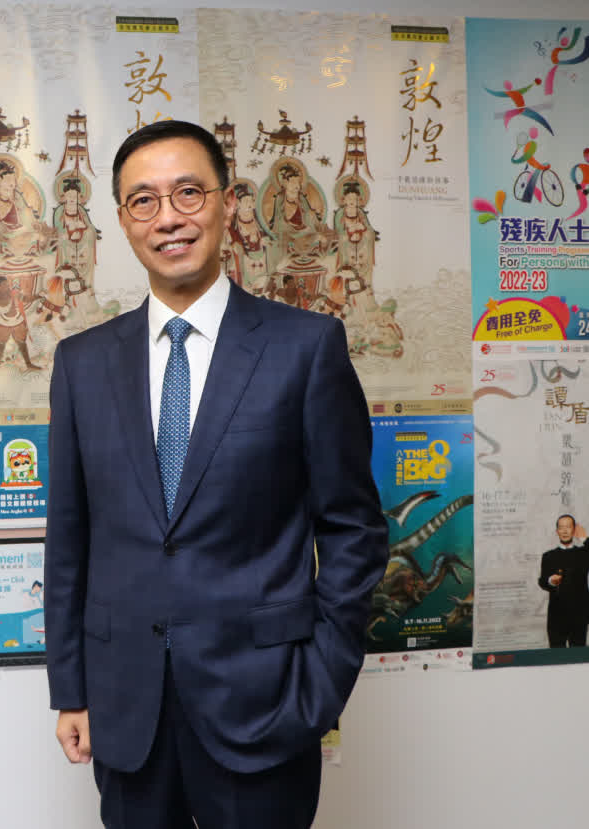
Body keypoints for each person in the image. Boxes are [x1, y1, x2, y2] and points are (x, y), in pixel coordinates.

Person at [45, 120, 388, 829]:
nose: (168, 217)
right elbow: (69, 539)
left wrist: (320, 682)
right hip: (125, 706)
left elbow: (353, 528)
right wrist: (70, 688)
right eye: (144, 200)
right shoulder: (82, 364)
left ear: (228, 204)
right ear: (123, 220)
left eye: (188, 193)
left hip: (266, 702)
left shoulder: (305, 349)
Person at [538, 514, 589, 647]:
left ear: (574, 530)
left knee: (578, 656)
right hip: (556, 617)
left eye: (568, 527)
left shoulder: (583, 554)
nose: (565, 531)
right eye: (561, 527)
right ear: (557, 531)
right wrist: (551, 581)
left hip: (579, 616)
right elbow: (542, 581)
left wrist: (584, 538)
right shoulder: (548, 556)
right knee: (556, 656)